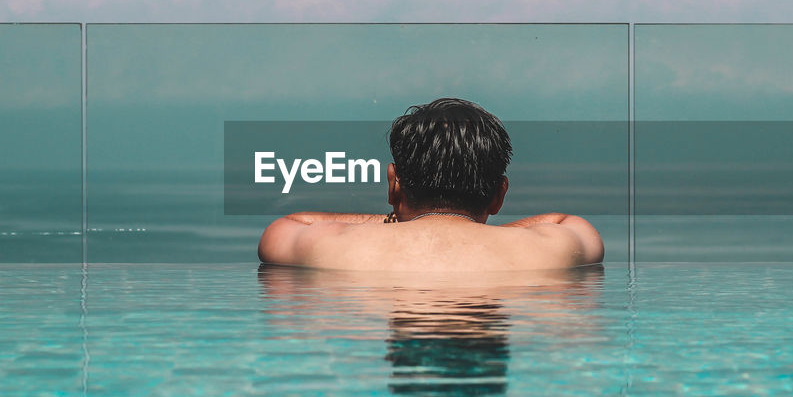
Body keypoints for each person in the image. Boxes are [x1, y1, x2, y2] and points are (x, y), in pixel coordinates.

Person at [257, 98, 604, 271]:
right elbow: (564, 220)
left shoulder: (325, 247)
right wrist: (474, 228)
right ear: (499, 194)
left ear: (395, 185)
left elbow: (289, 224)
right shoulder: (556, 248)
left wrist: (398, 222)